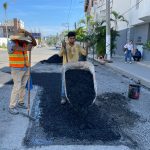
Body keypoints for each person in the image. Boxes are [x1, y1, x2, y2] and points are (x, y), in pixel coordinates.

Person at [8, 29, 37, 115]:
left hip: (26, 68)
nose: (22, 39)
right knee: (17, 86)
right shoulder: (11, 43)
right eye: (21, 38)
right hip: (16, 69)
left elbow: (34, 44)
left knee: (23, 86)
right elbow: (16, 48)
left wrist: (30, 35)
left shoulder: (24, 43)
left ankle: (20, 102)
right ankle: (11, 106)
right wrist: (26, 48)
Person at [59, 31, 87, 104]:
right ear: (68, 39)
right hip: (66, 67)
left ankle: (73, 96)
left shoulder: (77, 46)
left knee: (74, 82)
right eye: (70, 38)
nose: (72, 40)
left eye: (73, 38)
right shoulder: (65, 45)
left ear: (75, 38)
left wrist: (87, 46)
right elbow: (60, 55)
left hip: (74, 67)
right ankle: (63, 97)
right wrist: (63, 47)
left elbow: (84, 53)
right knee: (64, 82)